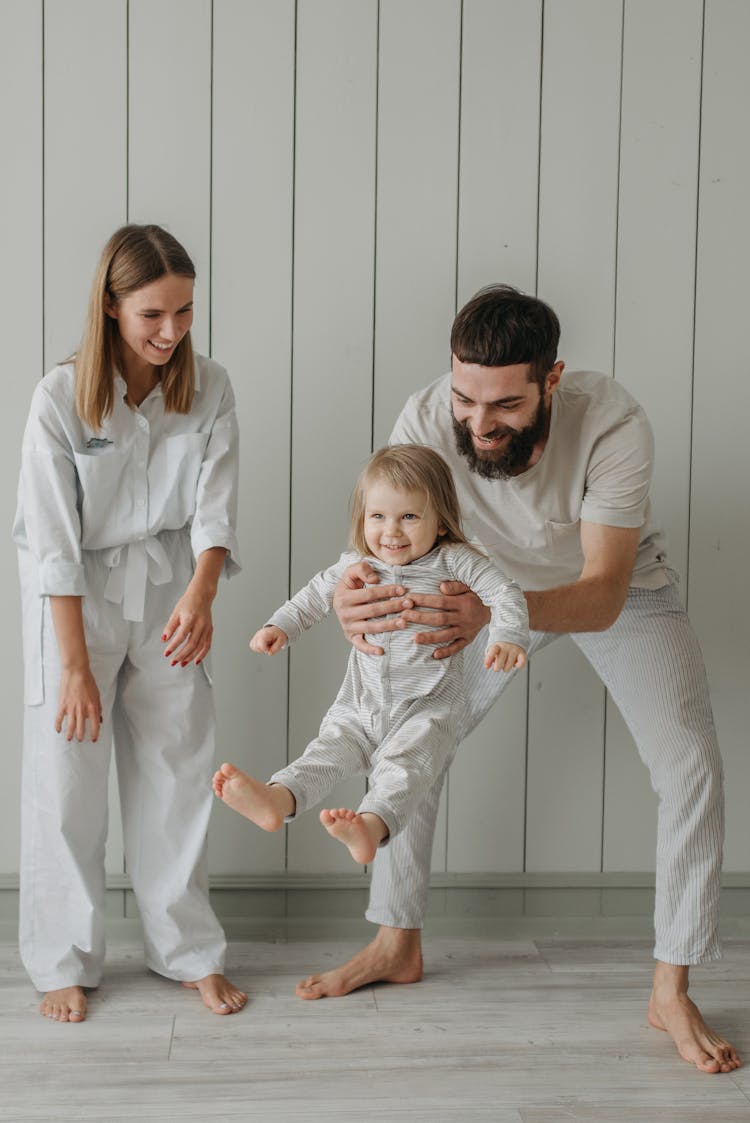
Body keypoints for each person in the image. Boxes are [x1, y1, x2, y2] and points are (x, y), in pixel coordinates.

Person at [292, 284, 740, 1076]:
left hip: (610, 589)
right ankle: (397, 941)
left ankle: (671, 986)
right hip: (469, 587)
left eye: (504, 404)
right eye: (465, 398)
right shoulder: (427, 417)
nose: (478, 421)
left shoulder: (615, 423)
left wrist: (497, 613)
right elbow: (386, 541)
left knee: (691, 765)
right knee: (409, 731)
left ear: (552, 379)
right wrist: (357, 604)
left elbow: (600, 592)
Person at [14, 224, 247, 1023]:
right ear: (111, 306)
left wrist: (202, 595)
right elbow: (52, 547)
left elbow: (217, 512)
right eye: (152, 314)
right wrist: (74, 665)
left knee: (179, 768)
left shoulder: (208, 387)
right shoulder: (60, 396)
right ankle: (62, 961)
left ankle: (188, 951)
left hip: (174, 586)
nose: (171, 331)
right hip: (73, 602)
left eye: (183, 311)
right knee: (66, 778)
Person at [213, 444, 529, 865]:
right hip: (360, 707)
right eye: (378, 517)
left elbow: (504, 593)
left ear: (439, 523)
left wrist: (507, 635)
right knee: (324, 754)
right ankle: (277, 799)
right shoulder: (357, 564)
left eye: (409, 517)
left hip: (427, 707)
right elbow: (313, 597)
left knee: (403, 771)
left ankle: (369, 827)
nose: (391, 532)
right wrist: (280, 626)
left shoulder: (456, 561)